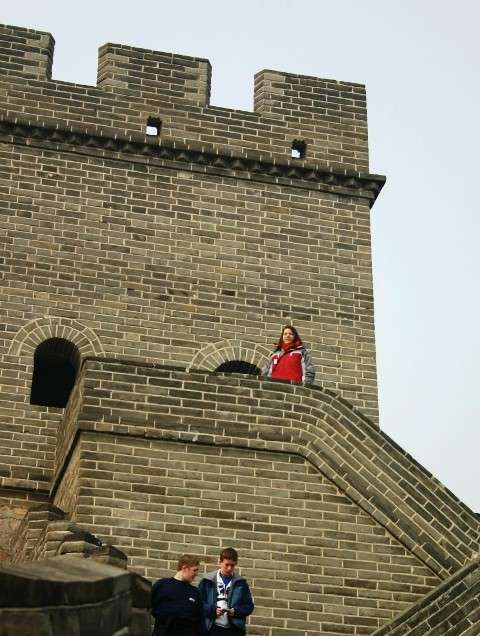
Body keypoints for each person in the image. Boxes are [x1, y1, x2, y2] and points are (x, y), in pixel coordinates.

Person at [198, 547, 254, 635]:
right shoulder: (207, 580)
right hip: (211, 628)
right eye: (227, 565)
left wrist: (235, 612)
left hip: (234, 630)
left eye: (232, 565)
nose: (229, 568)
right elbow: (198, 603)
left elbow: (249, 606)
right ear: (220, 562)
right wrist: (212, 611)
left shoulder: (241, 583)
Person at [151, 554, 202, 636]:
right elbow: (149, 607)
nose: (196, 574)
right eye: (195, 570)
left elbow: (198, 620)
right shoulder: (162, 585)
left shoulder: (195, 592)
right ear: (184, 568)